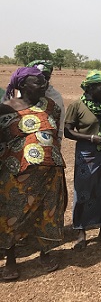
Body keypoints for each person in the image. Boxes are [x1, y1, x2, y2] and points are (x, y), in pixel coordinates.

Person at [0, 67, 67, 280]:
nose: (43, 84)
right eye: (36, 82)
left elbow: (55, 136)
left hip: (50, 172)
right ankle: (11, 260)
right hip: (17, 174)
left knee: (47, 213)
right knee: (12, 215)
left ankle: (45, 254)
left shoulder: (51, 106)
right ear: (22, 86)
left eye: (43, 81)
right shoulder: (5, 108)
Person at [64, 70, 101, 250]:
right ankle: (81, 231)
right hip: (87, 154)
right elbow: (68, 131)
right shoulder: (77, 105)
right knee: (84, 193)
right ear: (91, 87)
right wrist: (92, 138)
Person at [27, 60, 66, 142]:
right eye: (39, 77)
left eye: (46, 78)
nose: (43, 81)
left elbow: (60, 122)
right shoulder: (23, 94)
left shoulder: (55, 97)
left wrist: (58, 141)